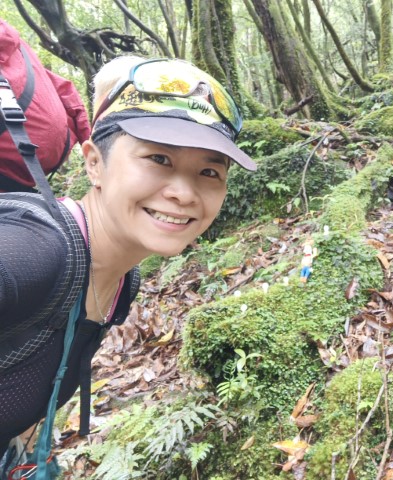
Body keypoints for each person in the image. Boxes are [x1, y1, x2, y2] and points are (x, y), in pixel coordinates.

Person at [0, 55, 256, 459]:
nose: (185, 193)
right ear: (94, 163)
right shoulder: (34, 250)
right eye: (159, 159)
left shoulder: (122, 280)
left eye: (209, 172)